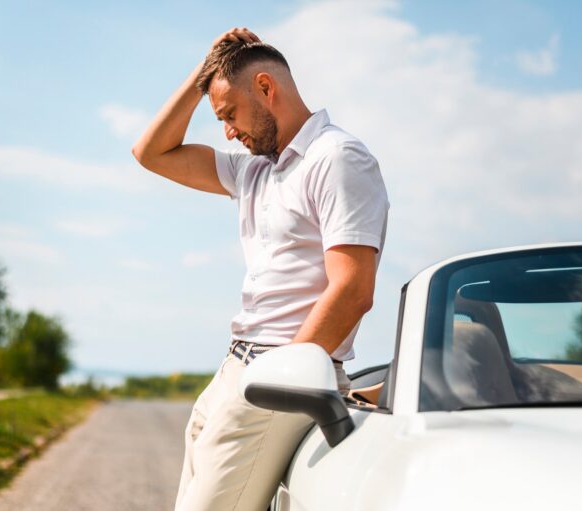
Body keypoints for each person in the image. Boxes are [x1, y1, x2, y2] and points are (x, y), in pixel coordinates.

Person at [132, 27, 389, 511]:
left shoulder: (336, 158)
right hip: (234, 369)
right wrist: (206, 70)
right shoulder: (253, 170)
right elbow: (151, 153)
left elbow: (353, 288)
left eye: (228, 114)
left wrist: (287, 375)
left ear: (267, 89)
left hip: (284, 375)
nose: (227, 130)